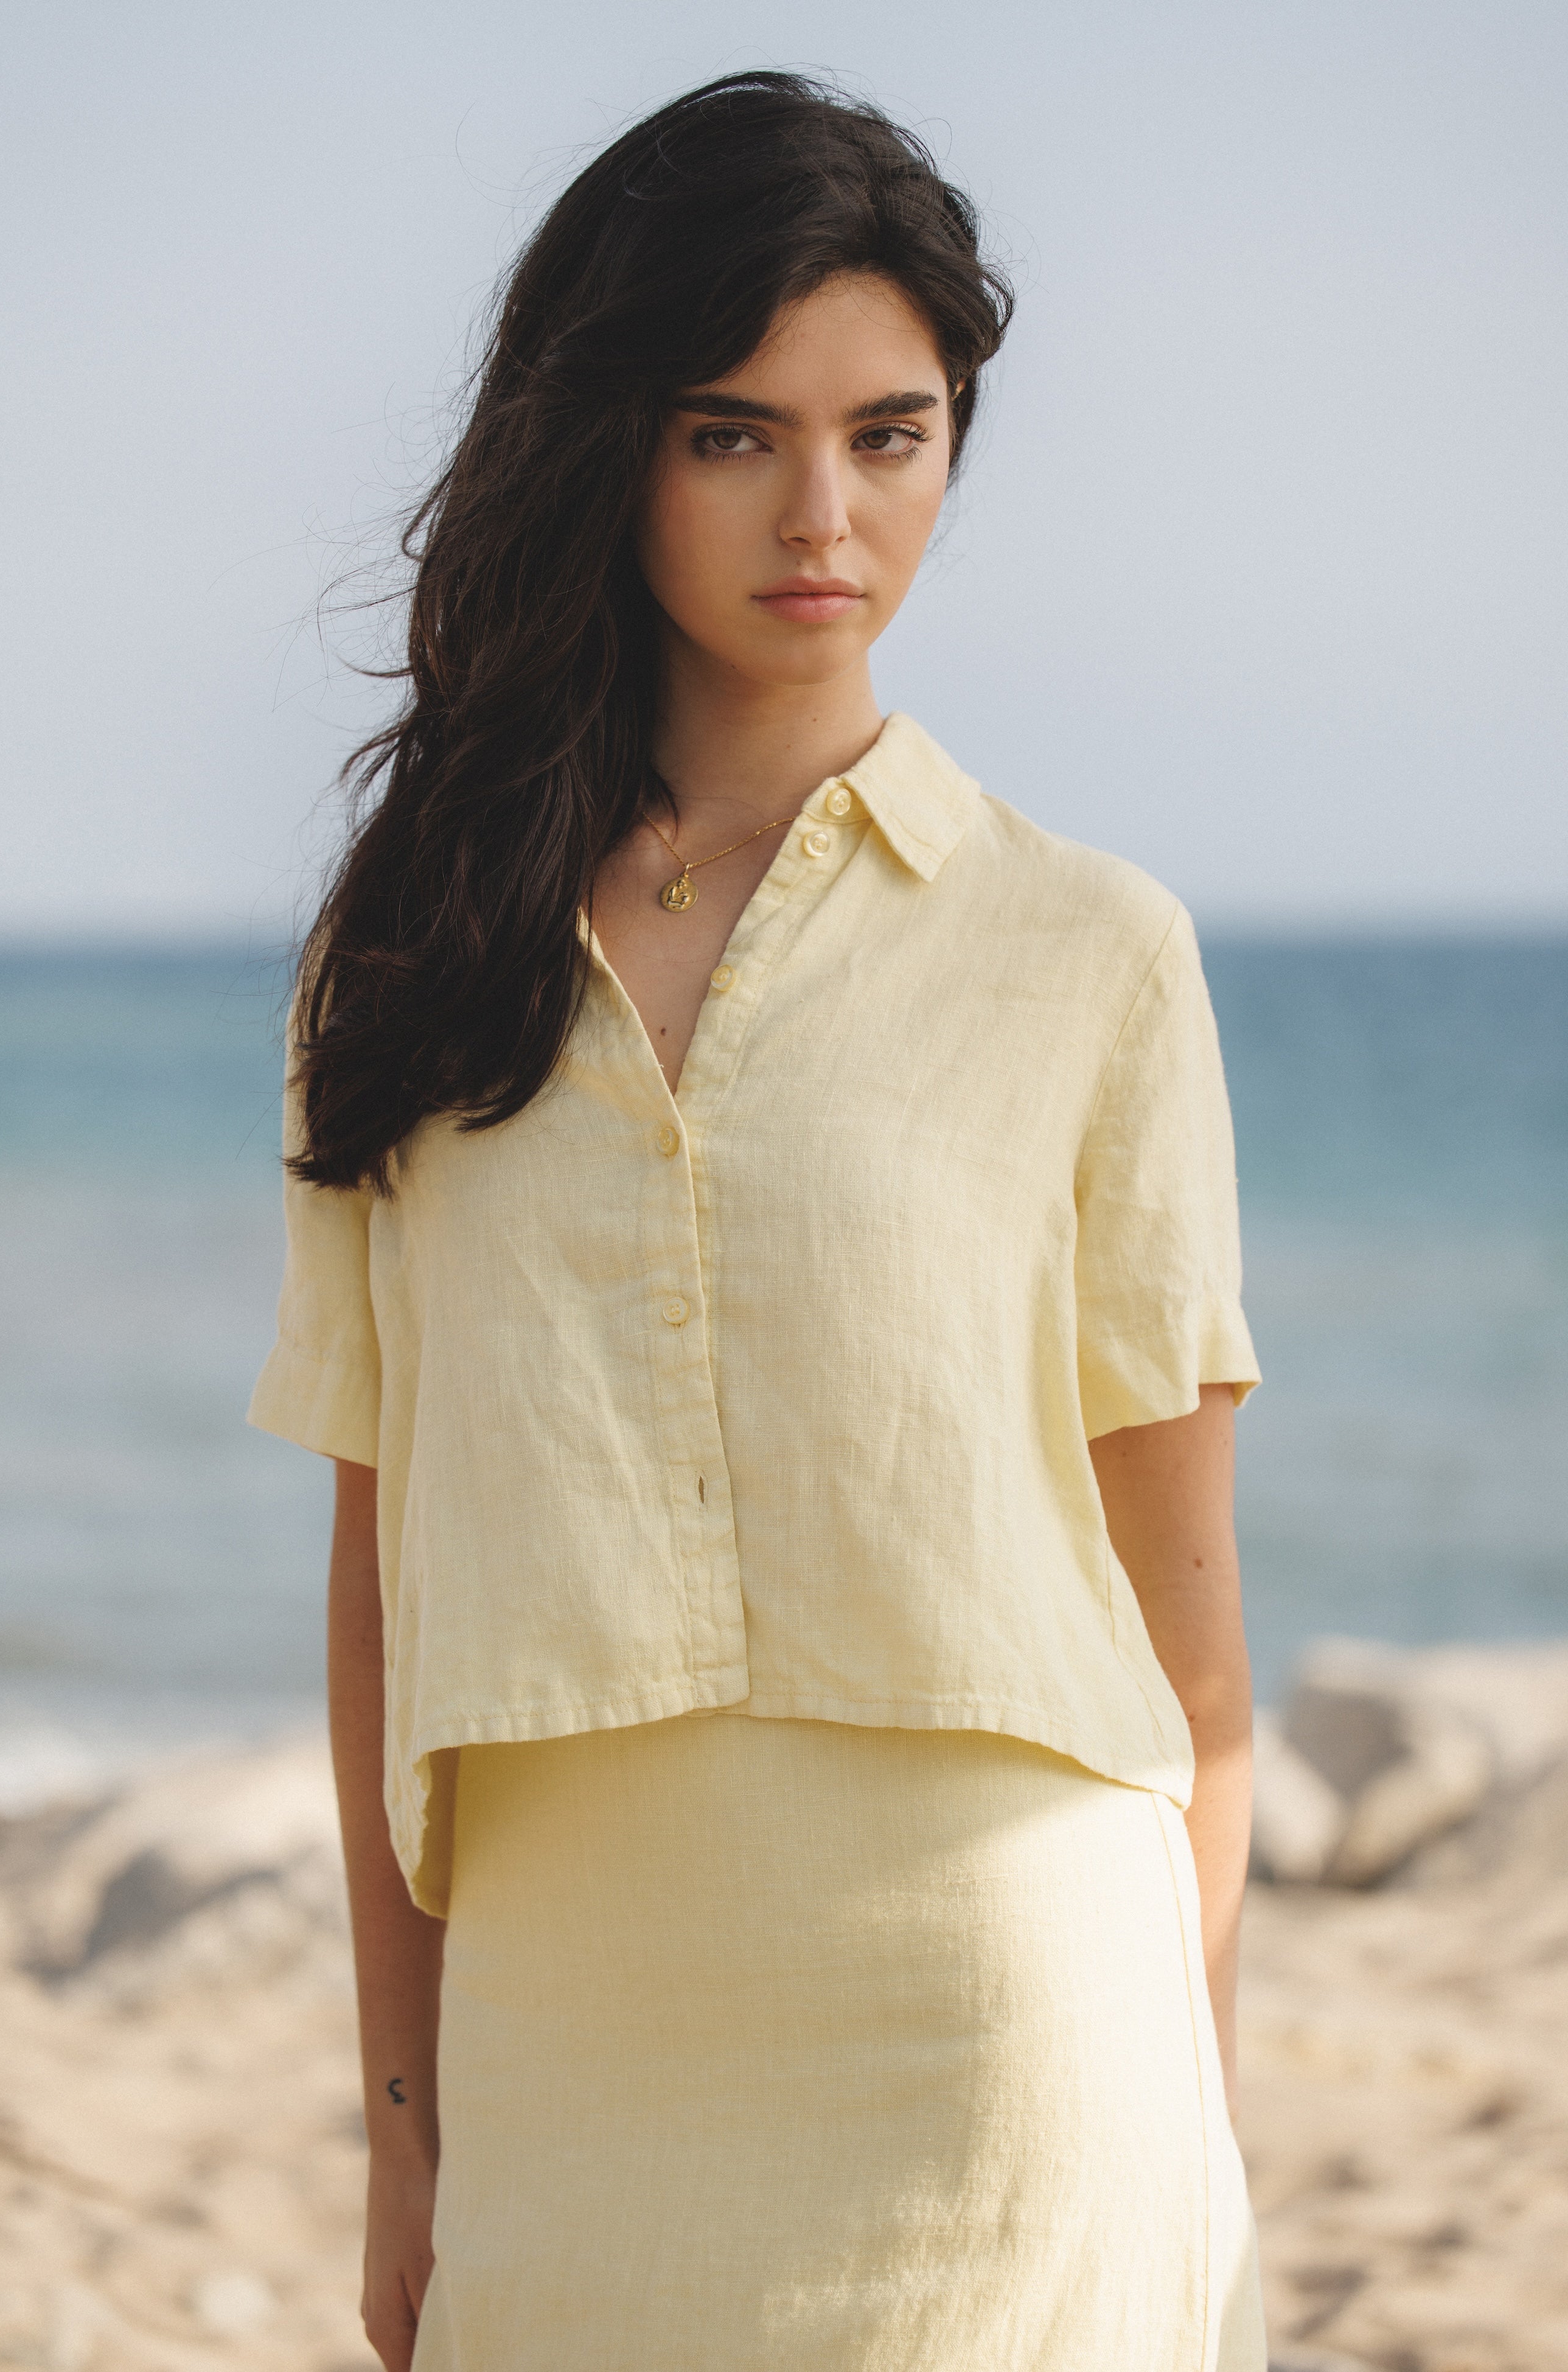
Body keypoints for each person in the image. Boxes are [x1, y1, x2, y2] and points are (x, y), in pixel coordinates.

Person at [251, 69, 1267, 2372]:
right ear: (607, 442)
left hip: (1013, 2051)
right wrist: (407, 2130)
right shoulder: (408, 962)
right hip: (574, 2078)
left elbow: (1196, 1668)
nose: (826, 512)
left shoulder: (1094, 952)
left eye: (889, 435)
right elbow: (380, 1610)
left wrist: (1190, 2105)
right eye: (734, 432)